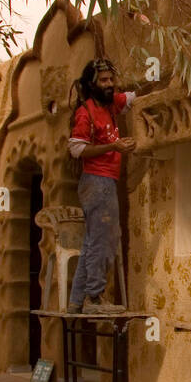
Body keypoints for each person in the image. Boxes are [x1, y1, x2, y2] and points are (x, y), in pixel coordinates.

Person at [67, 58, 139, 314]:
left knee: (92, 242)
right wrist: (113, 146)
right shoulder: (85, 112)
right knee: (104, 241)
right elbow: (77, 149)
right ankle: (94, 299)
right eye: (104, 80)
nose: (109, 84)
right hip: (97, 182)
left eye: (111, 79)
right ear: (92, 84)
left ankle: (77, 300)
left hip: (103, 182)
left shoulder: (109, 105)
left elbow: (132, 98)